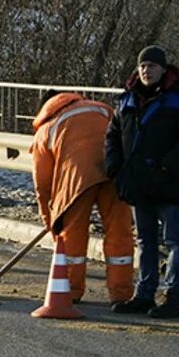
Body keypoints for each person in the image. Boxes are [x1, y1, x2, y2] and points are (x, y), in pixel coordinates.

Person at [105, 45, 179, 318]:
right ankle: (145, 294)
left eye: (152, 66)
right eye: (142, 66)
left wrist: (166, 166)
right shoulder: (128, 99)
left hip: (167, 182)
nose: (146, 70)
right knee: (145, 241)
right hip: (138, 182)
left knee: (174, 241)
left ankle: (174, 296)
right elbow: (113, 135)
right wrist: (114, 169)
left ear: (163, 69)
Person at [31, 91, 134, 306]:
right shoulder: (100, 108)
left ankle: (70, 290)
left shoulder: (46, 129)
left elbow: (43, 184)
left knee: (72, 236)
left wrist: (50, 219)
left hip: (76, 182)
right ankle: (122, 293)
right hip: (115, 173)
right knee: (120, 233)